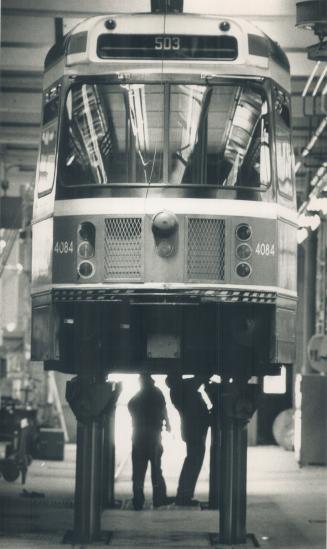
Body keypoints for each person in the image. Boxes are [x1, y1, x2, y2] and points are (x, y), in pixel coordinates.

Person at [128, 374, 171, 510]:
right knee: (156, 469)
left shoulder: (137, 396)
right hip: (153, 436)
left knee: (138, 470)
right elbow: (164, 410)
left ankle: (138, 500)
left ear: (142, 381)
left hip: (139, 436)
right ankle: (159, 499)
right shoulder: (157, 393)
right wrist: (168, 424)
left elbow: (130, 406)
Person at [166, 374, 209, 506]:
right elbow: (197, 380)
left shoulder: (179, 390)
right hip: (194, 431)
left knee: (193, 462)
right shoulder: (180, 390)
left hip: (194, 431)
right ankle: (184, 496)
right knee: (193, 463)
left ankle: (184, 495)